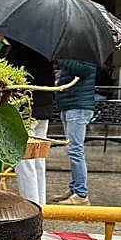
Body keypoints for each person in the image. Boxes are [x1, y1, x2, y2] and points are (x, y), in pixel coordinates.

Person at [0, 38, 52, 206]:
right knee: (38, 159)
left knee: (24, 160)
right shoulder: (45, 49)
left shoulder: (19, 52)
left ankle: (31, 205)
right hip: (44, 108)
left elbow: (11, 80)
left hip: (26, 111)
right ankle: (41, 206)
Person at [52, 58, 97, 205]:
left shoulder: (88, 53)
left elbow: (82, 70)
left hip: (78, 107)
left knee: (75, 151)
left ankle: (81, 194)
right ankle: (74, 188)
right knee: (73, 150)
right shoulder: (77, 53)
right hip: (70, 105)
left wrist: (62, 59)